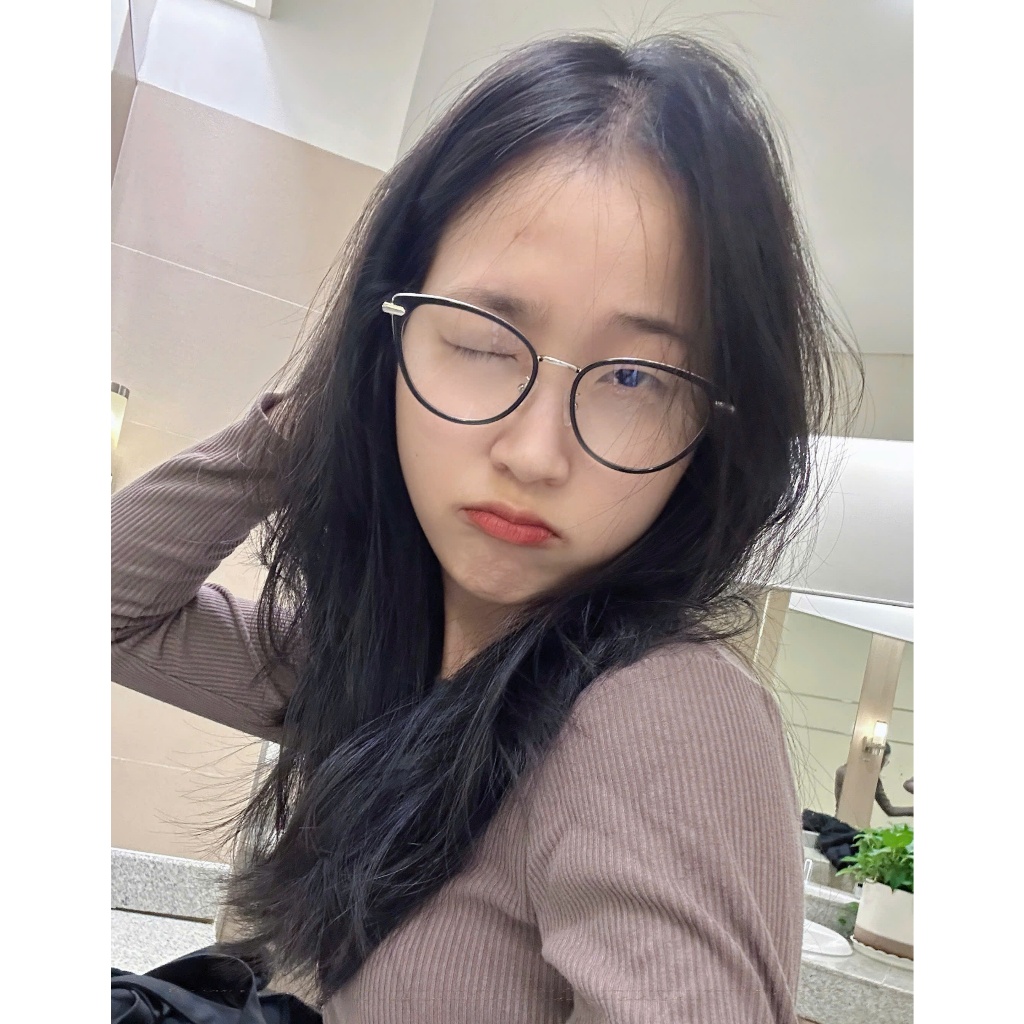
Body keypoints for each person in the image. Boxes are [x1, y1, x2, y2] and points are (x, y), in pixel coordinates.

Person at [112, 31, 856, 1024]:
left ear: (716, 423)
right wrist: (327, 415)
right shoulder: (386, 665)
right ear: (391, 334)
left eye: (636, 377)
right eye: (478, 338)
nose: (537, 452)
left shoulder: (659, 715)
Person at [834, 744, 914, 818]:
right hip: (845, 823)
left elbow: (890, 810)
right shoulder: (848, 773)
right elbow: (890, 810)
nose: (883, 765)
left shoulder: (844, 771)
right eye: (885, 761)